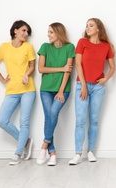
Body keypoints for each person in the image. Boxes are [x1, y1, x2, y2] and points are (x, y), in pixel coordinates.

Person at [69, 18, 116, 165]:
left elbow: (113, 67)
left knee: (94, 121)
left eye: (91, 25)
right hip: (81, 85)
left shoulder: (106, 46)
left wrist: (105, 79)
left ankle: (90, 151)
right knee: (80, 121)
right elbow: (78, 64)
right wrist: (83, 85)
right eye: (87, 26)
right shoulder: (82, 42)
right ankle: (77, 153)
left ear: (98, 29)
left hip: (98, 87)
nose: (88, 28)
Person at [0, 20, 36, 166]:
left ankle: (18, 153)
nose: (26, 34)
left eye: (27, 32)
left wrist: (26, 74)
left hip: (28, 90)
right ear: (15, 31)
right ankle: (25, 141)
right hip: (12, 90)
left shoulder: (28, 47)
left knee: (24, 122)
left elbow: (32, 66)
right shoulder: (4, 47)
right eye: (23, 30)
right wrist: (3, 79)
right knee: (1, 121)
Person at [36, 22, 75, 166]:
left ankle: (44, 146)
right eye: (48, 32)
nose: (48, 35)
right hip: (46, 88)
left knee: (53, 112)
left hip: (62, 89)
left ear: (59, 33)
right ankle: (52, 153)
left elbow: (68, 71)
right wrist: (61, 68)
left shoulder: (70, 47)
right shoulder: (45, 47)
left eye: (51, 32)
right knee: (49, 116)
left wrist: (60, 90)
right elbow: (41, 69)